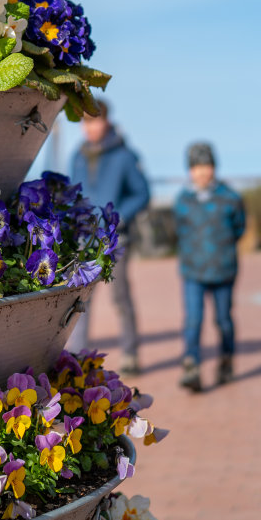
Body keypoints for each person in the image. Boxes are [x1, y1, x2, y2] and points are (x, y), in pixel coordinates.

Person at [67, 102, 151, 376]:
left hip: (117, 241)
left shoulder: (125, 156)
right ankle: (78, 359)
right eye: (85, 122)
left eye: (94, 121)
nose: (89, 127)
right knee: (81, 300)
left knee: (120, 297)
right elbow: (71, 193)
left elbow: (142, 193)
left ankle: (130, 353)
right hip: (84, 241)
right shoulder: (77, 155)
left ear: (106, 122)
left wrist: (119, 217)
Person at [173, 141, 246, 392]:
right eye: (197, 167)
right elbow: (179, 231)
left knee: (223, 320)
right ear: (190, 170)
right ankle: (191, 365)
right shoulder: (183, 200)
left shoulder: (230, 198)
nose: (202, 172)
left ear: (214, 167)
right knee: (193, 319)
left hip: (223, 270)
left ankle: (226, 359)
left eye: (207, 166)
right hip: (192, 271)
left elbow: (239, 228)